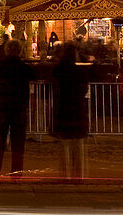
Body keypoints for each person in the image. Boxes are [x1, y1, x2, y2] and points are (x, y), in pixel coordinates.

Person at [0, 40, 35, 178]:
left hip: (1, 108)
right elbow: (34, 75)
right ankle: (16, 174)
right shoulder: (24, 67)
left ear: (6, 50)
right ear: (20, 51)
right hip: (18, 108)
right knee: (18, 144)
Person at [52, 43, 90, 179]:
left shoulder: (58, 71)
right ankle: (79, 175)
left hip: (63, 107)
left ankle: (65, 175)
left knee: (65, 144)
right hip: (78, 108)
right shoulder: (80, 72)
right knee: (79, 144)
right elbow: (84, 89)